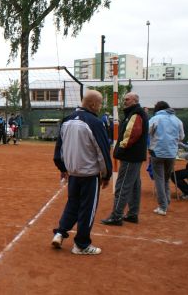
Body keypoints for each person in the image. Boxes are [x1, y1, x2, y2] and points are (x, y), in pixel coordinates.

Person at [51, 90, 112, 255]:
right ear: (92, 104)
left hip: (73, 174)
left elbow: (59, 149)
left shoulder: (67, 120)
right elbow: (102, 151)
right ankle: (81, 244)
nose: (100, 107)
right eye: (99, 104)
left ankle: (60, 233)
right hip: (89, 175)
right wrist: (106, 175)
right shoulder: (95, 122)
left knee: (72, 204)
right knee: (87, 209)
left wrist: (62, 168)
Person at [101, 92, 148, 226]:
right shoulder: (134, 113)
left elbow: (133, 134)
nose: (124, 101)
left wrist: (121, 149)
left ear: (134, 101)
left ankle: (116, 216)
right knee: (134, 185)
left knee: (122, 185)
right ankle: (132, 214)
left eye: (127, 99)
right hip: (134, 156)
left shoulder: (136, 114)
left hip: (130, 156)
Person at [149, 101, 184, 216]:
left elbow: (148, 132)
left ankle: (162, 206)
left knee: (159, 179)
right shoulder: (177, 120)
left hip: (157, 153)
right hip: (171, 154)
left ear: (158, 108)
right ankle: (166, 202)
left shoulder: (155, 119)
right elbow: (181, 137)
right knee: (166, 178)